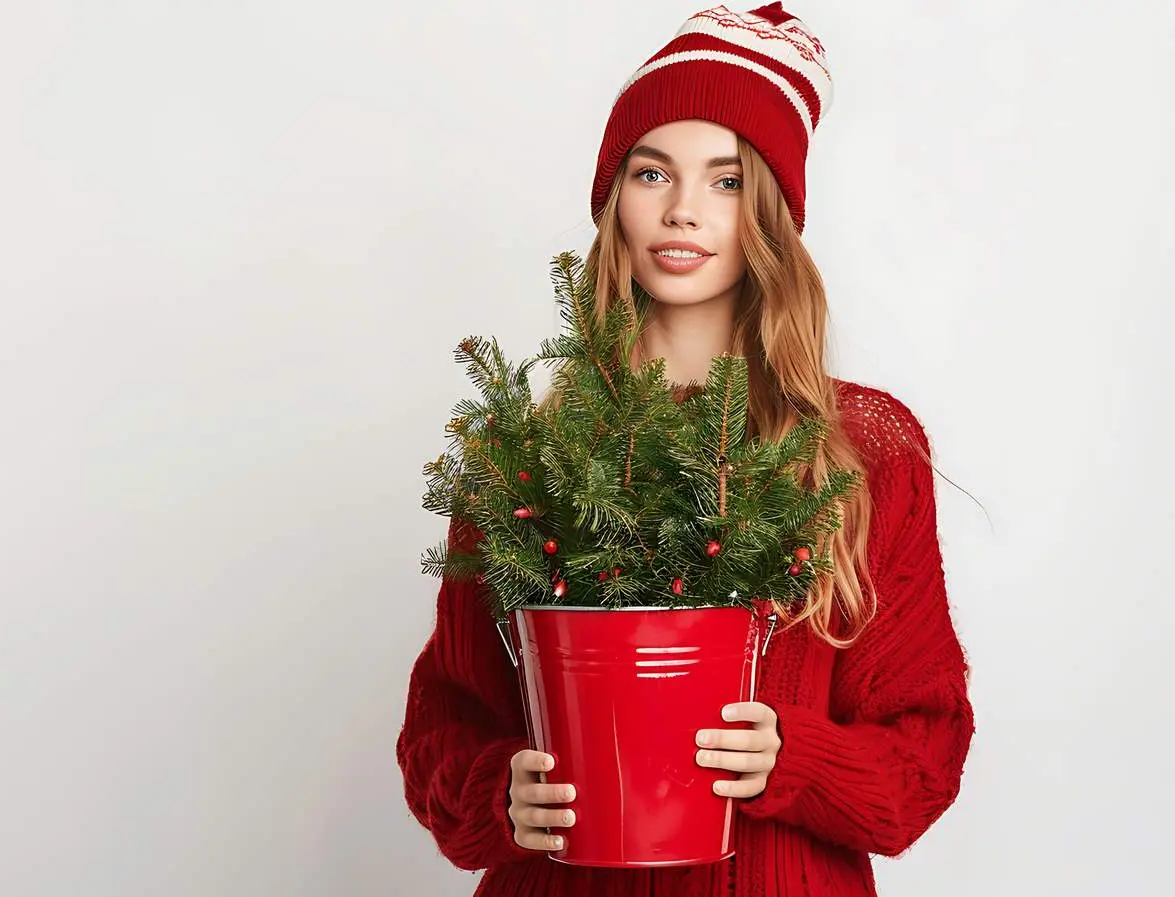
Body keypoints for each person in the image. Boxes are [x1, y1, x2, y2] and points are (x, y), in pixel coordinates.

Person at [395, 4, 975, 895]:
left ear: (771, 210)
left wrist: (797, 758)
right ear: (614, 199)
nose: (682, 210)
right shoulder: (532, 454)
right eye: (652, 171)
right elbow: (445, 717)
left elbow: (923, 755)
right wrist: (496, 789)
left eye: (727, 179)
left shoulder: (867, 451)